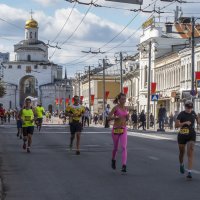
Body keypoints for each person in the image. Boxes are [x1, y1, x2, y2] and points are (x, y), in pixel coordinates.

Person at [108, 93, 132, 173]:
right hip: (116, 129)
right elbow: (108, 118)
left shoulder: (125, 108)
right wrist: (115, 117)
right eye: (122, 99)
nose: (123, 101)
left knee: (124, 147)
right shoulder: (115, 108)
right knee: (115, 148)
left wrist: (127, 117)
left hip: (123, 129)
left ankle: (124, 165)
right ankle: (113, 159)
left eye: (124, 99)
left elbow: (126, 118)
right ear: (119, 100)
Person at [175, 100, 198, 179]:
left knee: (190, 151)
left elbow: (199, 122)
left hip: (191, 134)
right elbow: (176, 125)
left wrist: (199, 118)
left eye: (191, 107)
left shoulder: (193, 113)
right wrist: (184, 123)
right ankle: (181, 164)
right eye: (188, 107)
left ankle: (189, 172)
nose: (189, 109)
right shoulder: (181, 114)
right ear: (185, 107)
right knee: (182, 152)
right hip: (182, 135)